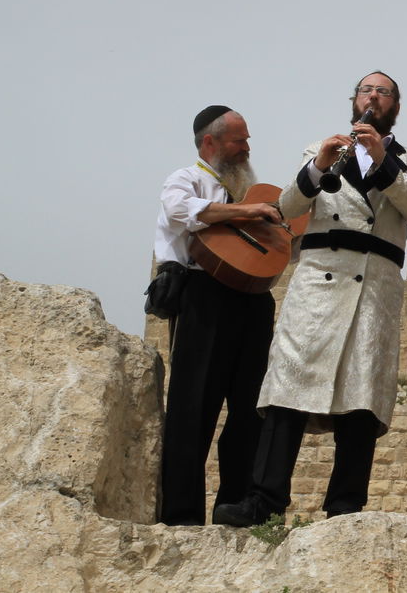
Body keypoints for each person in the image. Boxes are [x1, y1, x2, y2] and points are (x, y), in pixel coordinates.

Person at [213, 71, 407, 525]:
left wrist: (382, 161)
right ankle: (264, 501)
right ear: (354, 100)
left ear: (396, 106)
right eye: (366, 90)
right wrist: (318, 168)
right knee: (289, 384)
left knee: (361, 394)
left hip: (373, 286)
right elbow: (289, 207)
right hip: (318, 284)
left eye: (383, 92)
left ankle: (345, 507)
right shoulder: (321, 149)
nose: (373, 97)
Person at [154, 105, 280, 525]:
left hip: (252, 299)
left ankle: (237, 507)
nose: (247, 147)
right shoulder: (186, 179)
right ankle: (181, 517)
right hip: (204, 294)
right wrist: (245, 212)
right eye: (238, 140)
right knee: (193, 406)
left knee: (250, 408)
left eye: (247, 140)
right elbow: (180, 211)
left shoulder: (249, 191)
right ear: (210, 142)